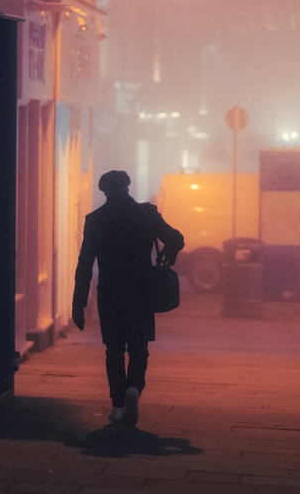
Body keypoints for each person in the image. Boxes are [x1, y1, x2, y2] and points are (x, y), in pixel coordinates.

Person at [72, 169, 184, 427]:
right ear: (127, 187)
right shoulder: (146, 214)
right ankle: (134, 388)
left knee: (113, 350)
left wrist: (79, 302)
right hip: (141, 290)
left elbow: (85, 263)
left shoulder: (96, 220)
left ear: (105, 191)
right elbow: (177, 238)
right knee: (138, 347)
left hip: (111, 292)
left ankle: (118, 405)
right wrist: (167, 255)